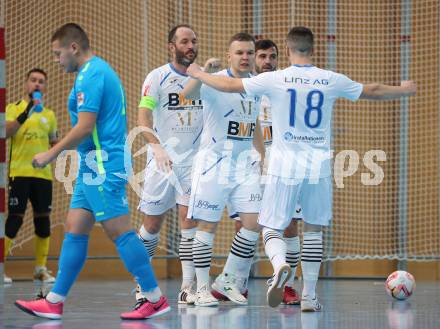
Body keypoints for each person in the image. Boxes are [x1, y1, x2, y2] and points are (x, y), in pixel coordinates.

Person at [185, 26, 416, 311]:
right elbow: (373, 90)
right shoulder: (329, 78)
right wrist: (405, 90)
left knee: (270, 226)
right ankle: (309, 295)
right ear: (314, 47)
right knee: (314, 230)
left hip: (283, 164)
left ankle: (279, 266)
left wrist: (197, 73)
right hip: (317, 166)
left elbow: (229, 85)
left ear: (289, 48)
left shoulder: (275, 79)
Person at [14, 23, 169, 320]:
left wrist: (50, 153)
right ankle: (54, 301)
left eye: (58, 54)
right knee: (75, 226)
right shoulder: (92, 73)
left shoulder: (91, 74)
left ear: (74, 48)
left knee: (119, 230)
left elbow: (85, 127)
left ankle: (154, 297)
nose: (58, 61)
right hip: (90, 164)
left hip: (103, 163)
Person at [215, 39, 302, 305]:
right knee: (246, 224)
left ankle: (286, 285)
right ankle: (236, 283)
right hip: (249, 166)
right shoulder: (245, 87)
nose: (267, 61)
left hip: (283, 167)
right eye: (262, 56)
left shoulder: (287, 89)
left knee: (289, 226)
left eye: (272, 56)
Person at [136, 24, 219, 304]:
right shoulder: (157, 77)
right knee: (151, 224)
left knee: (189, 221)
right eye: (184, 41)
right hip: (162, 162)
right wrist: (156, 147)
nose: (190, 46)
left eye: (194, 41)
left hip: (193, 163)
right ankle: (141, 283)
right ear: (172, 46)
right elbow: (143, 119)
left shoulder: (204, 78)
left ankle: (187, 288)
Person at [182, 32, 265, 307]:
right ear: (230, 55)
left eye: (249, 52)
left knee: (253, 224)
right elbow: (186, 94)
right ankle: (201, 288)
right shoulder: (214, 80)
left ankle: (227, 279)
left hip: (244, 166)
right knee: (207, 226)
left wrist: (263, 156)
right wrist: (203, 72)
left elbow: (251, 126)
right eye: (239, 52)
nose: (245, 57)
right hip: (214, 164)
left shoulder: (257, 84)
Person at [4, 68, 58, 284]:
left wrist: (57, 148)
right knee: (14, 220)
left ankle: (40, 269)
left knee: (43, 222)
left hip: (43, 176)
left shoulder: (49, 115)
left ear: (44, 87)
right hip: (19, 173)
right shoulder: (12, 109)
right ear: (27, 84)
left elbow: (54, 144)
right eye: (33, 80)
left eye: (41, 82)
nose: (37, 84)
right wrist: (27, 111)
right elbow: (7, 132)